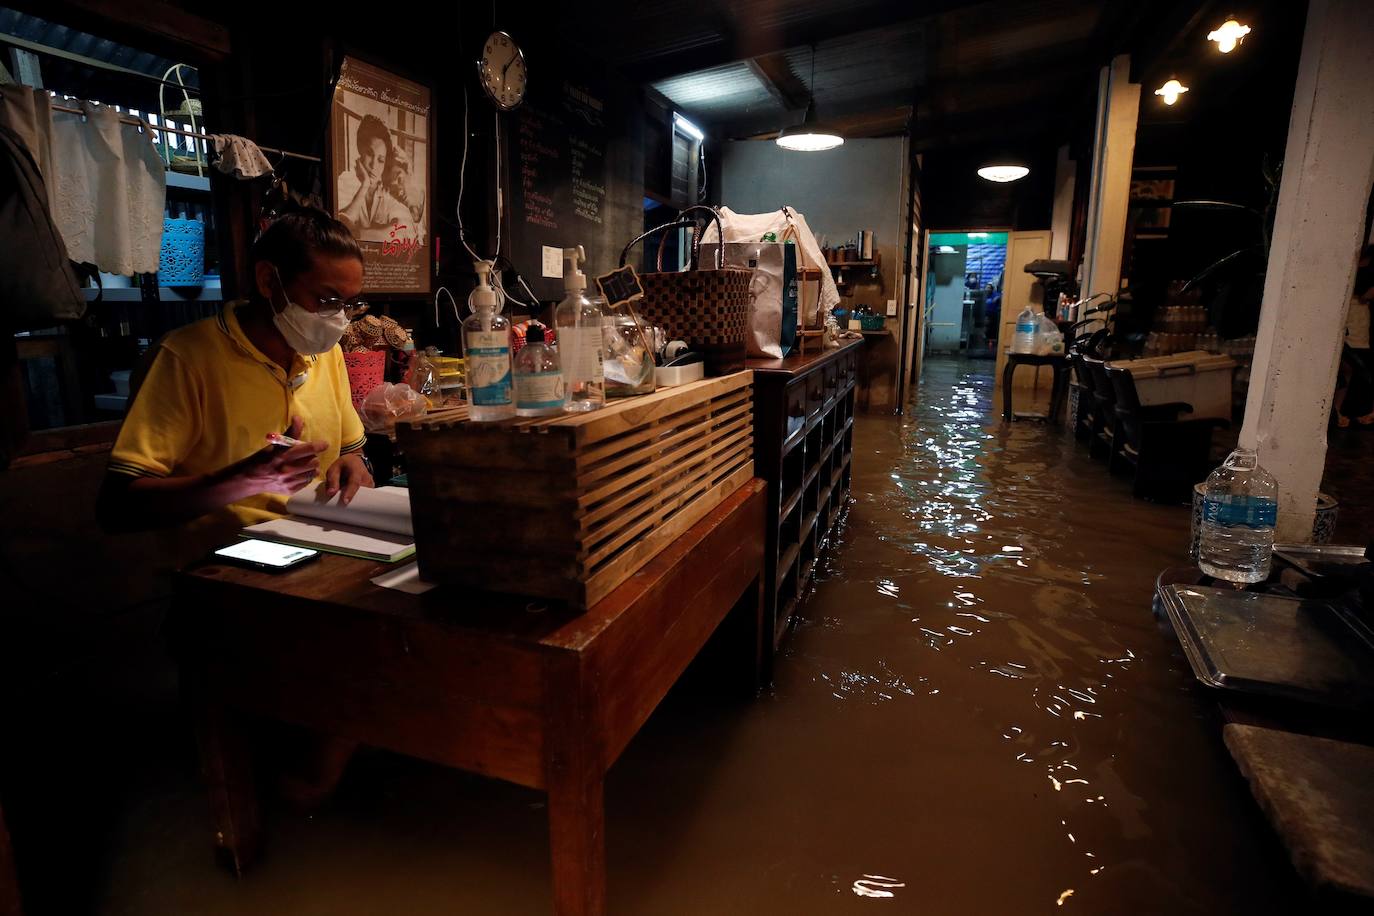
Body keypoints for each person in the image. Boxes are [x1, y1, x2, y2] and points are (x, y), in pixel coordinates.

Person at [98, 209, 373, 537]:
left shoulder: (327, 355)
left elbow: (350, 449)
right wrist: (247, 480)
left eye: (349, 304)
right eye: (327, 300)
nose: (338, 318)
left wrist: (355, 464)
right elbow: (117, 508)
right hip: (216, 564)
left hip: (317, 543)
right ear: (268, 281)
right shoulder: (183, 359)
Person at [336, 114, 409, 239]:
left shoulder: (388, 192)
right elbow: (338, 229)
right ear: (360, 149)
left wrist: (356, 234)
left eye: (381, 160)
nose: (374, 165)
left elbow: (402, 231)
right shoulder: (345, 180)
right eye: (369, 154)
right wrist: (364, 185)